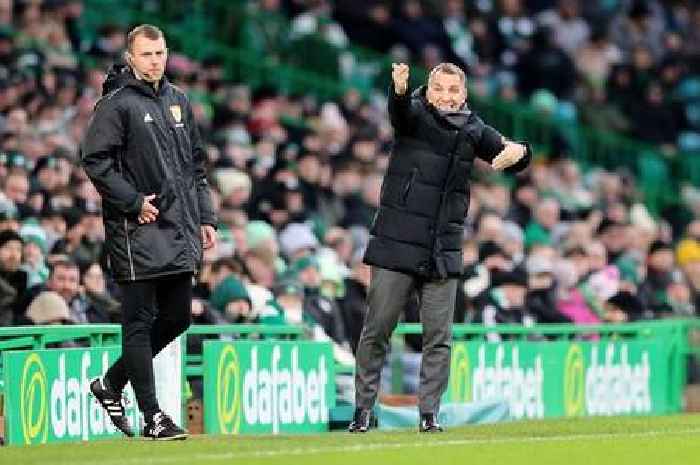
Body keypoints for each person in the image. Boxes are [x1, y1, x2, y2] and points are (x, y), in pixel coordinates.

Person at [350, 62, 531, 433]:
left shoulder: (474, 128)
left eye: (453, 90)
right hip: (396, 243)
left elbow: (509, 153)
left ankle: (429, 414)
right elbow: (399, 113)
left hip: (443, 248)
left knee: (439, 337)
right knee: (378, 330)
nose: (446, 96)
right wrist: (398, 90)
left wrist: (521, 153)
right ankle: (362, 412)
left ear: (464, 94)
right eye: (439, 89)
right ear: (427, 91)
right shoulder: (414, 114)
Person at [80, 24, 217, 440]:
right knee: (138, 323)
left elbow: (195, 165)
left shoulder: (178, 101)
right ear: (130, 58)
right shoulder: (115, 105)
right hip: (135, 229)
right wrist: (133, 201)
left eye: (159, 53)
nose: (155, 61)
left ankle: (111, 384)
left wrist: (206, 216)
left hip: (180, 228)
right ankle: (153, 416)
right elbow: (94, 159)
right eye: (146, 54)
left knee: (177, 318)